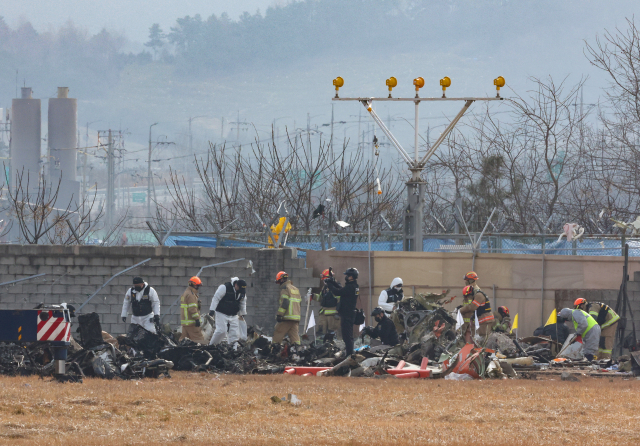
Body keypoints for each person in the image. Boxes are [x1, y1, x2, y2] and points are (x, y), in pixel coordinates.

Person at [325, 267, 360, 356]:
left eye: (347, 275)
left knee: (347, 337)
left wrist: (329, 284)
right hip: (349, 313)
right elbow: (342, 289)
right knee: (349, 336)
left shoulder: (351, 287)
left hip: (347, 314)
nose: (346, 277)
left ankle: (349, 354)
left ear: (351, 277)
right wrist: (333, 282)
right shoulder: (354, 286)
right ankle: (350, 353)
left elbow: (338, 292)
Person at [208, 277, 247, 345]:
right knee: (221, 331)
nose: (241, 291)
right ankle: (212, 345)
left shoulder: (241, 292)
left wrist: (242, 313)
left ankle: (233, 350)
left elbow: (243, 303)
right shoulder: (225, 287)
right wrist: (212, 310)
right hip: (221, 313)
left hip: (234, 315)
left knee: (235, 334)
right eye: (240, 288)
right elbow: (216, 298)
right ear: (236, 285)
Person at [460, 271, 494, 340]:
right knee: (481, 338)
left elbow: (472, 307)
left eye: (466, 281)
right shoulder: (475, 291)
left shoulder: (478, 294)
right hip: (481, 319)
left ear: (470, 281)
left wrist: (460, 310)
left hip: (485, 320)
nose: (465, 283)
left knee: (484, 339)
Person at [272, 271, 302, 345]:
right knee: (294, 336)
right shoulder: (295, 289)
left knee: (278, 332)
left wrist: (279, 315)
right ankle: (297, 351)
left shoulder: (285, 288)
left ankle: (274, 349)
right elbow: (299, 303)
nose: (279, 284)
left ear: (281, 280)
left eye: (279, 282)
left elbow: (285, 302)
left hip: (287, 317)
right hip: (295, 318)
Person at [312, 269, 341, 338]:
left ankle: (332, 346)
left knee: (331, 333)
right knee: (321, 331)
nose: (324, 281)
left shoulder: (336, 287)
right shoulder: (324, 287)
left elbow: (340, 300)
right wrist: (313, 296)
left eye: (325, 279)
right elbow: (321, 298)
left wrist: (338, 312)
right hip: (323, 314)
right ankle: (320, 346)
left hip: (332, 315)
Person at [179, 276, 205, 344]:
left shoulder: (186, 293)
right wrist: (197, 319)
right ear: (194, 285)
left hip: (186, 324)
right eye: (198, 286)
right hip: (192, 323)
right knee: (200, 340)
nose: (198, 288)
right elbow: (192, 309)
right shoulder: (191, 295)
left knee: (183, 342)